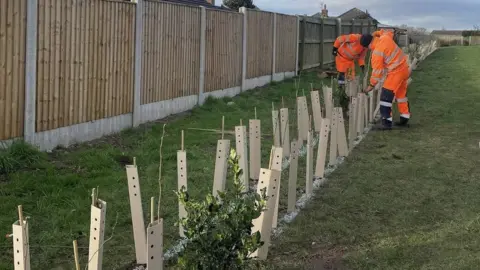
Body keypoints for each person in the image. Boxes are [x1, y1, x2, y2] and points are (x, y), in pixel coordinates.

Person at [363, 31, 411, 130]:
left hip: (396, 73)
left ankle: (386, 123)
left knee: (385, 96)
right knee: (401, 95)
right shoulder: (384, 37)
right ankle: (405, 118)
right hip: (404, 68)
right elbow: (387, 32)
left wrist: (371, 86)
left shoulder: (377, 52)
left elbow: (377, 72)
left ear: (369, 45)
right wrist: (377, 33)